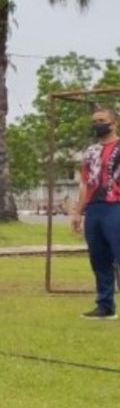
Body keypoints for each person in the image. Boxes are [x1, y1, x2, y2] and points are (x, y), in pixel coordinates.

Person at [71, 108, 120, 320]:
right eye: (94, 121)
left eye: (102, 120)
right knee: (99, 258)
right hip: (95, 208)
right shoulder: (90, 151)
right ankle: (105, 304)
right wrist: (78, 212)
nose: (97, 124)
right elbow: (85, 183)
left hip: (116, 206)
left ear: (114, 123)